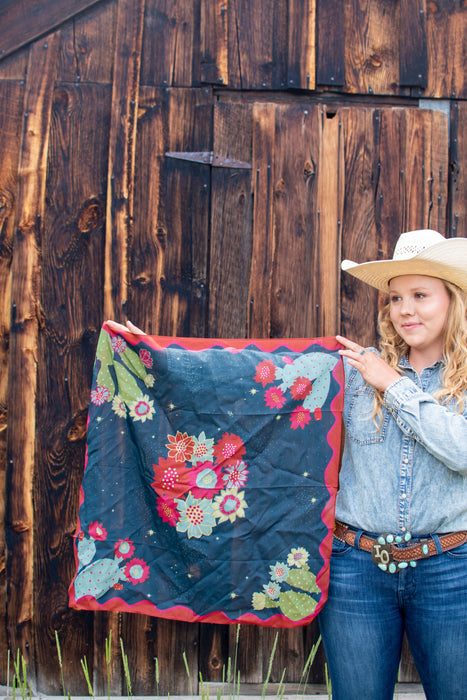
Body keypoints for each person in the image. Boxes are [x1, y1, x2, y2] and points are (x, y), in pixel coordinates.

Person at [318, 229, 467, 700]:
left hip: (451, 569)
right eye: (396, 298)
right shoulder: (356, 372)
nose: (405, 310)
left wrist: (395, 387)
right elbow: (263, 390)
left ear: (453, 301)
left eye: (421, 295)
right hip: (355, 569)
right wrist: (159, 357)